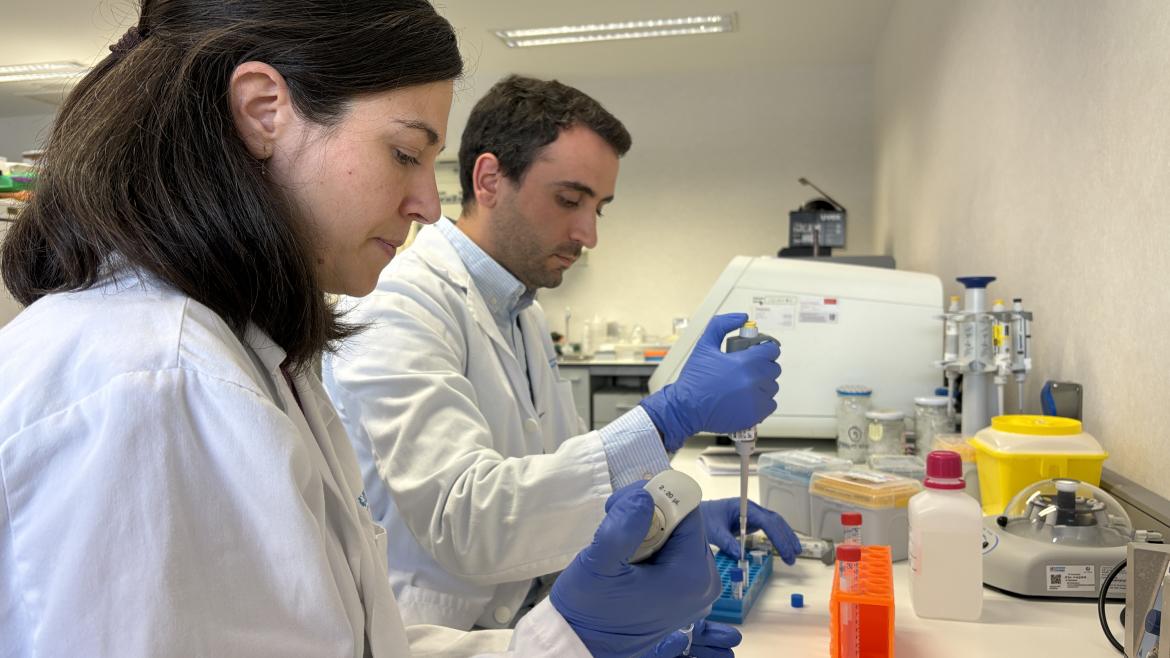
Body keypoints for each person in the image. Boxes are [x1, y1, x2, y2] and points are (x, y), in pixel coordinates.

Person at [0, 3, 729, 656]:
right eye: (405, 153)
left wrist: (576, 641)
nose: (426, 204)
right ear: (264, 110)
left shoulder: (238, 352)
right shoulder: (160, 385)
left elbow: (348, 639)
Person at [323, 75, 801, 632]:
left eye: (598, 208)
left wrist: (669, 517)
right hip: (440, 635)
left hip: (531, 624)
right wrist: (673, 416)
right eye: (569, 199)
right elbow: (468, 519)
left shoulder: (521, 308)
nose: (588, 232)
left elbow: (561, 475)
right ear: (489, 179)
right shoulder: (398, 302)